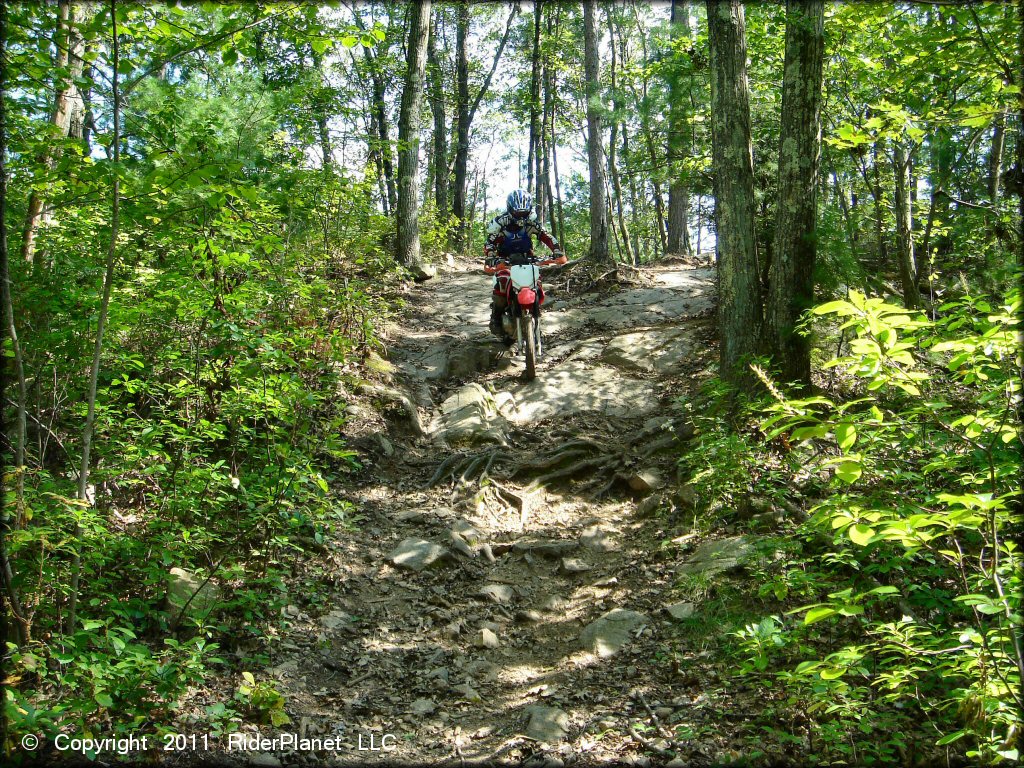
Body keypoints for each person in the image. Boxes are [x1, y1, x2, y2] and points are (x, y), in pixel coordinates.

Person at [483, 189, 565, 338]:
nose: (521, 216)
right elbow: (490, 243)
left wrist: (557, 250)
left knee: (536, 280)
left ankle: (535, 314)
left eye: (524, 213)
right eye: (518, 213)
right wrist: (491, 256)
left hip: (527, 258)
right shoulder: (499, 223)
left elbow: (546, 236)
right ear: (510, 209)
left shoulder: (531, 222)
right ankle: (496, 317)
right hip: (504, 260)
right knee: (502, 280)